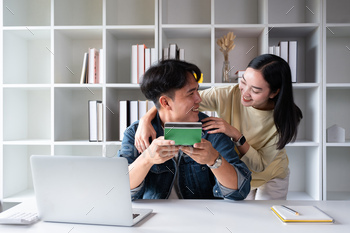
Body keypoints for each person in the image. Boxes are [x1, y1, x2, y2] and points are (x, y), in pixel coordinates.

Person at [134, 54, 303, 200]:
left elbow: (259, 165)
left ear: (274, 93)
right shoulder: (227, 94)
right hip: (238, 171)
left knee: (267, 222)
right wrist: (144, 120)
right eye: (243, 82)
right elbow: (173, 102)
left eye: (256, 90)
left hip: (269, 174)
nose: (244, 93)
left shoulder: (285, 119)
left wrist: (235, 135)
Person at [117, 59, 251, 200]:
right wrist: (147, 160)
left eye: (197, 91)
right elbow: (120, 191)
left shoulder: (211, 130)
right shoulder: (137, 133)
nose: (199, 99)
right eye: (191, 93)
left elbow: (240, 192)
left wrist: (214, 160)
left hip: (203, 217)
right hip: (155, 218)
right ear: (165, 102)